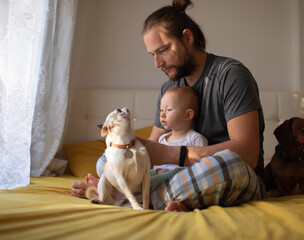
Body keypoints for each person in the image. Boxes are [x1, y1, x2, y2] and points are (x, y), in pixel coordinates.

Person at [72, 0, 266, 212]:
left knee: (228, 164)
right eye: (152, 55)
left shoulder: (230, 75)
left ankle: (119, 196)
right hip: (178, 177)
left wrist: (174, 155)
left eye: (163, 50)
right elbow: (151, 152)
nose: (157, 63)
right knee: (107, 158)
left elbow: (248, 153)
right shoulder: (169, 89)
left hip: (231, 175)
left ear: (188, 38)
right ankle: (167, 198)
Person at [154, 86, 208, 174]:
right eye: (161, 110)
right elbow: (156, 161)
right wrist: (159, 170)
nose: (162, 115)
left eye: (168, 109)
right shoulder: (162, 139)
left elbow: (203, 166)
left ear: (188, 115)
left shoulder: (195, 139)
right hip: (162, 180)